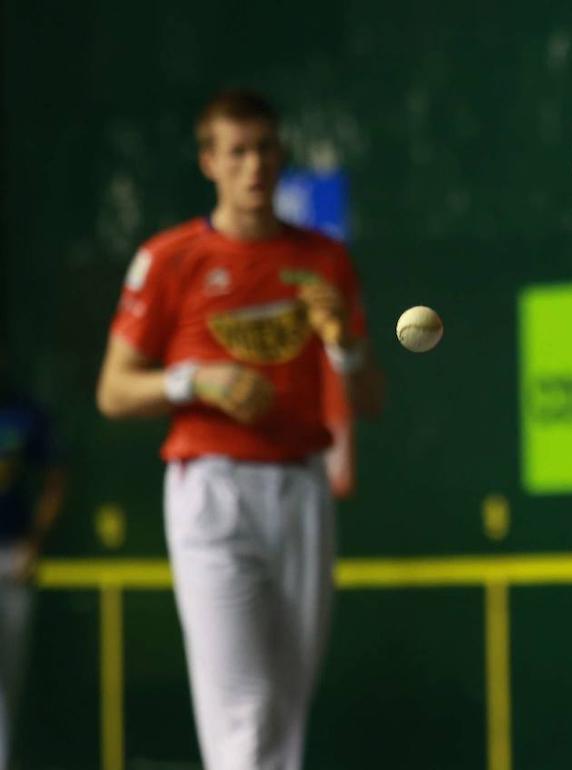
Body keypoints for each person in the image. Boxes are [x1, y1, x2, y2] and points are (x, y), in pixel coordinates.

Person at [96, 89, 383, 770]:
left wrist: (341, 344)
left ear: (282, 156)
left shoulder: (324, 260)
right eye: (238, 152)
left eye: (266, 150)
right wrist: (196, 380)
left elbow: (367, 397)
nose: (255, 166)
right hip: (212, 492)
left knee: (284, 707)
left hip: (302, 491)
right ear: (209, 163)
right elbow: (112, 390)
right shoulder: (170, 259)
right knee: (247, 713)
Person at [0, 352, 66, 770]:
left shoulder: (23, 411)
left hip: (11, 555)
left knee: (8, 683)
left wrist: (34, 542)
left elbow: (56, 476)